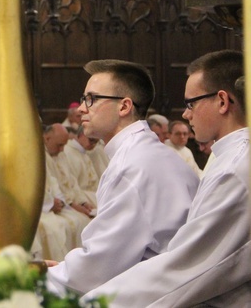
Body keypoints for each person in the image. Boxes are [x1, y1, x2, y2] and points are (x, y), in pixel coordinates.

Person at [86, 50, 250, 306]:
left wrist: (92, 302)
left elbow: (187, 268)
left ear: (222, 101)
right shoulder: (230, 159)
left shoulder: (236, 168)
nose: (186, 114)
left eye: (190, 103)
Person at [46, 60, 199, 296]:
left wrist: (41, 277)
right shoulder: (149, 153)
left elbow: (97, 267)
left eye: (91, 99)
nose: (81, 109)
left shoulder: (132, 165)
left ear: (124, 106)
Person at [44, 124, 96, 214]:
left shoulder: (61, 155)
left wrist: (83, 203)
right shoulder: (43, 158)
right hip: (59, 205)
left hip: (71, 202)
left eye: (64, 145)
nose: (62, 149)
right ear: (47, 139)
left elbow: (72, 182)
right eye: (59, 145)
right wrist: (72, 205)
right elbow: (54, 189)